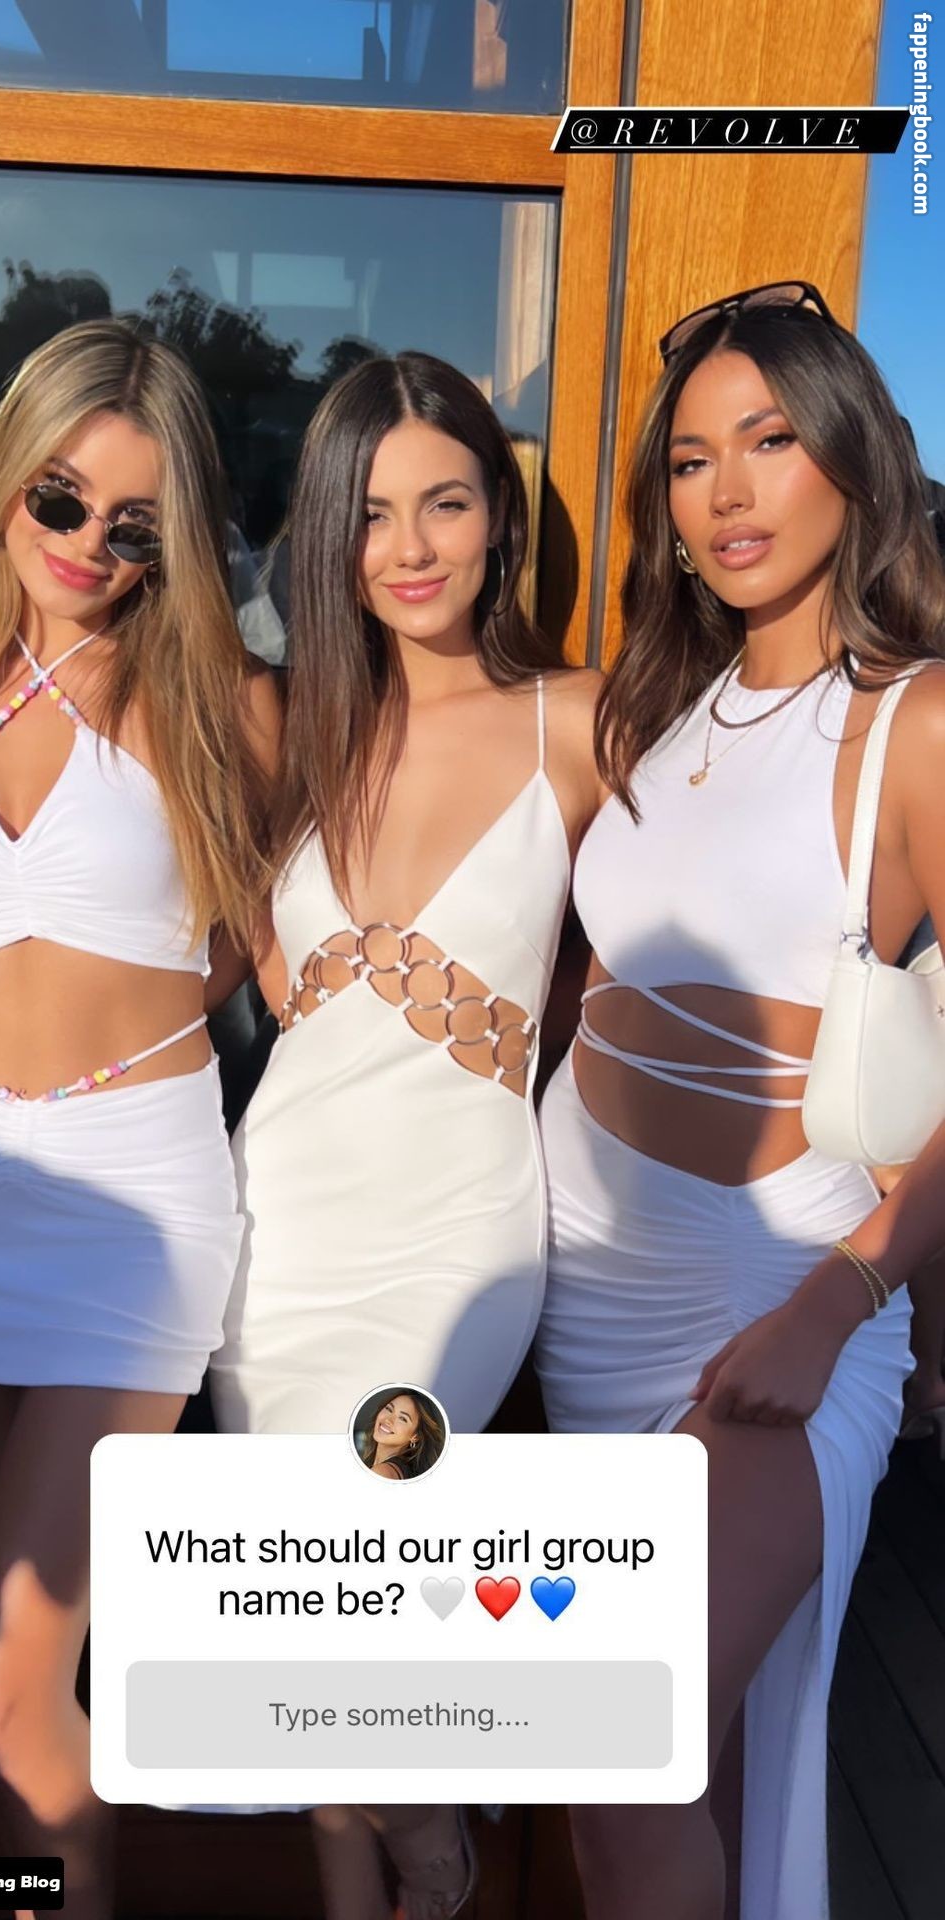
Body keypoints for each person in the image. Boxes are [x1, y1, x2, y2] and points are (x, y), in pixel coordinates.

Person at [535, 282, 945, 1920]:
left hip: (772, 1299)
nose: (727, 492)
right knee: (661, 1783)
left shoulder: (918, 721)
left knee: (616, 1755)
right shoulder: (659, 708)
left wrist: (838, 1305)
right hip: (591, 1290)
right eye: (693, 460)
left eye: (768, 442)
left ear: (851, 456)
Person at [0, 319, 276, 1920]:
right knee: (28, 1683)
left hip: (138, 1211)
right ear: (4, 482)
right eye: (59, 498)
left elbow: (271, 950)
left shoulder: (229, 707)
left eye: (137, 526)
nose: (89, 546)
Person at [209, 350, 599, 1919]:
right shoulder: (282, 724)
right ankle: (372, 1863)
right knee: (297, 1591)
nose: (412, 547)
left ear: (500, 517)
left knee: (361, 1554)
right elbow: (227, 954)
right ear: (329, 536)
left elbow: (666, 961)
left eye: (446, 502)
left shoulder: (582, 723)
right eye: (371, 513)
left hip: (460, 1228)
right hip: (282, 1226)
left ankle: (429, 1829)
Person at [358, 1389, 445, 1479]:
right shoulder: (395, 1470)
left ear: (415, 1436)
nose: (388, 1420)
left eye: (403, 1418)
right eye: (389, 1409)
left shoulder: (382, 1473)